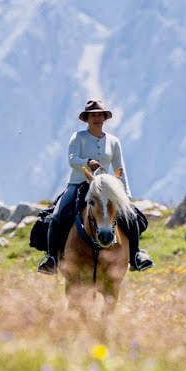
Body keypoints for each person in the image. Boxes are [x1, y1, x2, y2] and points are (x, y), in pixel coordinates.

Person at [36, 100, 153, 274]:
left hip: (106, 187)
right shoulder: (78, 138)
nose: (97, 118)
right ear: (87, 119)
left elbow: (120, 166)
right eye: (93, 115)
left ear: (104, 118)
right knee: (57, 215)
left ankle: (136, 255)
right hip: (78, 184)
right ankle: (52, 258)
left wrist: (126, 193)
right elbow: (72, 159)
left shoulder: (113, 141)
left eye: (100, 115)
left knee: (132, 217)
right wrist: (87, 162)